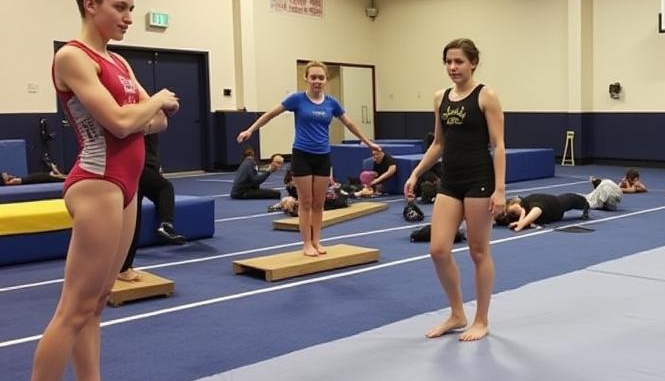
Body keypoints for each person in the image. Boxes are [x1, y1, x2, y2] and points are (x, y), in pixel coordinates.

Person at [18, 0, 179, 381]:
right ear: (91, 5)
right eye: (121, 7)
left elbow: (153, 126)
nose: (129, 17)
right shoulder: (72, 56)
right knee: (72, 310)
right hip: (97, 183)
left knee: (95, 306)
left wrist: (145, 112)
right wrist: (153, 100)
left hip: (125, 187)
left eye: (132, 8)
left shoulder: (119, 61)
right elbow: (124, 119)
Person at [403, 38, 506, 342]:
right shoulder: (440, 98)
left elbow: (498, 145)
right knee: (438, 250)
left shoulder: (486, 96)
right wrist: (416, 173)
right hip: (450, 181)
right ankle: (457, 313)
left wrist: (499, 189)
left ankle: (481, 319)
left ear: (473, 62)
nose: (452, 67)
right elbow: (439, 143)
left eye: (459, 61)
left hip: (479, 180)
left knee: (477, 251)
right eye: (448, 61)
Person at [237, 62, 380, 257]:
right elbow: (271, 114)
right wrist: (250, 130)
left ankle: (317, 241)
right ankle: (306, 243)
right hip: (302, 155)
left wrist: (367, 142)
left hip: (322, 156)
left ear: (325, 80)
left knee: (319, 203)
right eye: (313, 77)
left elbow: (350, 123)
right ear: (307, 78)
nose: (317, 81)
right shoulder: (297, 99)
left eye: (321, 78)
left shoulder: (332, 103)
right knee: (305, 201)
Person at [118, 133, 186, 284]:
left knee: (135, 218)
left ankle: (124, 267)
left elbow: (150, 145)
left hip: (142, 165)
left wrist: (156, 165)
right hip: (139, 166)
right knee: (165, 187)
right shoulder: (144, 114)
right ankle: (166, 224)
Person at [498, 192, 590, 229]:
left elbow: (537, 211)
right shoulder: (510, 214)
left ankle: (586, 204)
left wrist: (522, 223)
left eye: (512, 213)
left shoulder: (531, 203)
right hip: (550, 212)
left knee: (572, 200)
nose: (510, 215)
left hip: (556, 205)